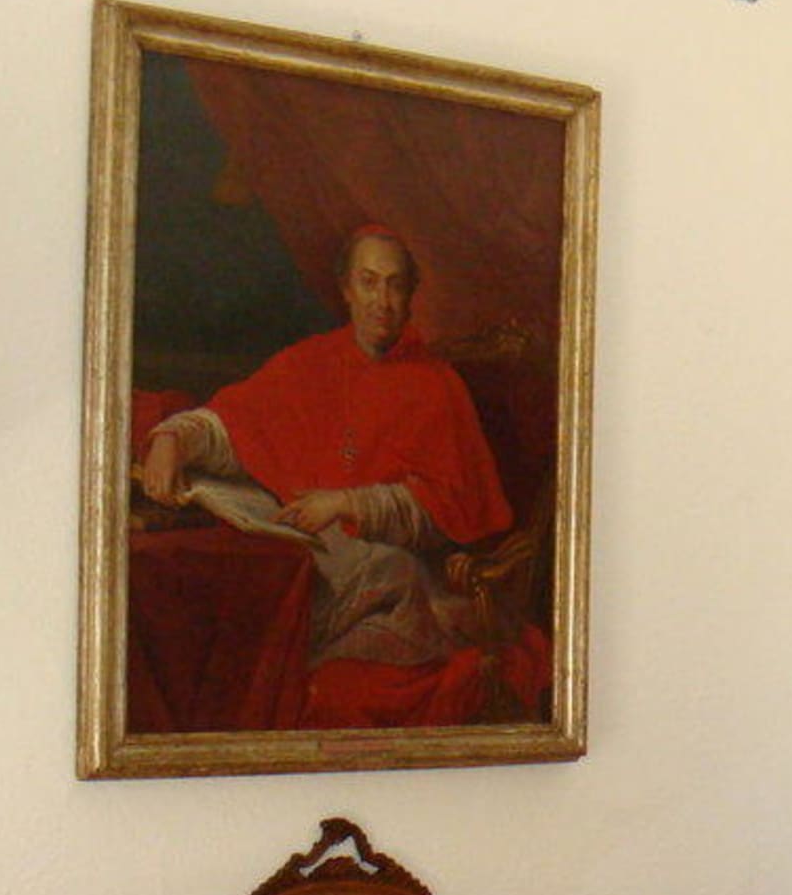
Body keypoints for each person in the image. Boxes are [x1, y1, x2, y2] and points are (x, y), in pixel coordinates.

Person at [139, 226, 536, 727]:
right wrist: (174, 438)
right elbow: (234, 426)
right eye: (369, 283)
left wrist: (347, 503)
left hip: (400, 586)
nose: (382, 301)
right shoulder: (309, 363)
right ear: (347, 290)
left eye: (394, 285)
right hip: (309, 558)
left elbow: (444, 510)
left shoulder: (438, 387)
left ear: (410, 296)